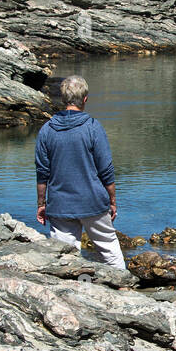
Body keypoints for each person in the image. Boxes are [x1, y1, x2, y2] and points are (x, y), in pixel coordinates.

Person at [34, 75, 126, 270]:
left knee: (65, 260)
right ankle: (123, 288)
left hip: (59, 205)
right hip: (93, 201)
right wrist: (112, 201)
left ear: (62, 100)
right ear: (85, 100)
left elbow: (42, 173)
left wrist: (42, 204)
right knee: (109, 251)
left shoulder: (46, 130)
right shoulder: (93, 127)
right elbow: (106, 170)